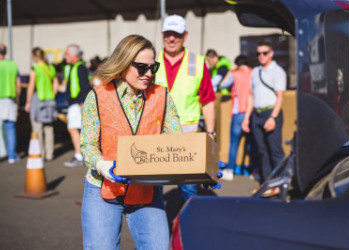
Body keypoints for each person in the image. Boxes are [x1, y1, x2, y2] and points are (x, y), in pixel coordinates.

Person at [80, 34, 182, 250]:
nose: (147, 74)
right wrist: (102, 165)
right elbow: (88, 144)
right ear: (124, 63)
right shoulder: (98, 97)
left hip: (146, 189)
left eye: (152, 68)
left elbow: (176, 143)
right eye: (141, 67)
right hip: (103, 188)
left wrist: (201, 168)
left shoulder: (162, 97)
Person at [155, 14, 216, 202]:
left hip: (187, 140)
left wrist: (211, 133)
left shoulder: (197, 63)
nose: (172, 39)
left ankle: (187, 228)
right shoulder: (151, 62)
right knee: (152, 188)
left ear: (185, 36)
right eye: (168, 34)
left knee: (189, 190)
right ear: (162, 34)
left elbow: (207, 101)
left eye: (177, 34)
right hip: (156, 137)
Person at [242, 41, 286, 188]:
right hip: (256, 114)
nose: (261, 56)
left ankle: (282, 184)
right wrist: (247, 118)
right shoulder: (255, 71)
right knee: (261, 151)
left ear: (271, 53)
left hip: (271, 112)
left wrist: (273, 118)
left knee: (275, 151)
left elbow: (280, 96)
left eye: (264, 53)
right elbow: (251, 96)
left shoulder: (278, 71)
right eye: (258, 53)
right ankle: (267, 184)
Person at [219, 55, 252, 181]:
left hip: (238, 112)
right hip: (251, 111)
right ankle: (253, 170)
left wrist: (230, 70)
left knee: (234, 143)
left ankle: (230, 170)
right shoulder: (253, 72)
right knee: (251, 143)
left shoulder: (234, 73)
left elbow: (222, 85)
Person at [25, 47, 59, 161]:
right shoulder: (50, 68)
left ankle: (41, 154)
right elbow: (55, 85)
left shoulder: (35, 68)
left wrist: (28, 102)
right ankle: (50, 154)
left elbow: (31, 86)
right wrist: (52, 95)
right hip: (50, 101)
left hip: (38, 101)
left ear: (34, 56)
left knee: (37, 128)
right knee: (49, 129)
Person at [61, 44, 91, 167]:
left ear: (74, 55)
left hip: (77, 103)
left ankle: (79, 156)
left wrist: (82, 103)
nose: (65, 56)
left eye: (67, 54)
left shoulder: (80, 68)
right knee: (76, 129)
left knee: (73, 128)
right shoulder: (75, 67)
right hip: (76, 103)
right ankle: (81, 155)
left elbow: (85, 87)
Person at [0, 43, 21, 164]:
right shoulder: (13, 65)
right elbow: (18, 85)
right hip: (9, 100)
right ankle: (12, 156)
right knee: (10, 128)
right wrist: (18, 101)